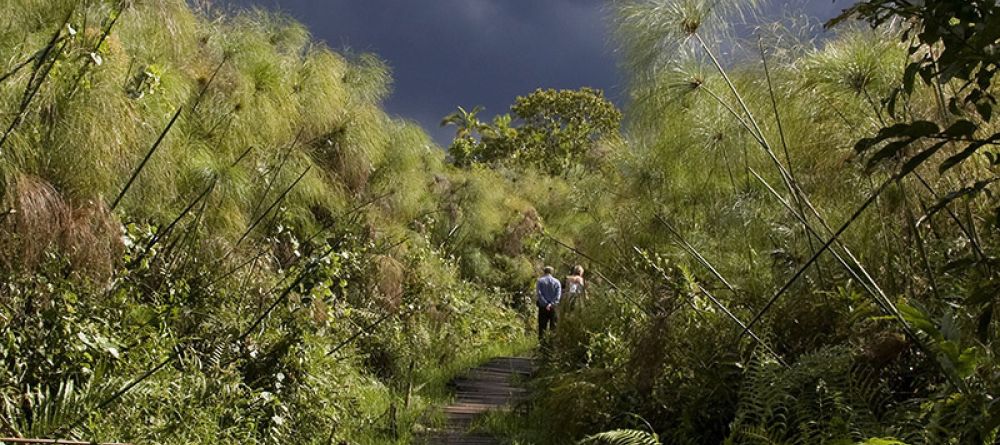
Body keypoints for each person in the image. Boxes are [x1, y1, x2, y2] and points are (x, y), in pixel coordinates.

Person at [536, 266, 561, 340]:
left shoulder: (540, 281)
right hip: (553, 308)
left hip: (543, 307)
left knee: (542, 327)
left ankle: (542, 345)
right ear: (552, 272)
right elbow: (558, 296)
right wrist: (551, 304)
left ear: (544, 272)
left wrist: (546, 304)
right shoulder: (557, 282)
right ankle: (551, 345)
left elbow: (539, 294)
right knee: (553, 327)